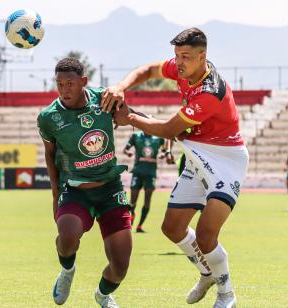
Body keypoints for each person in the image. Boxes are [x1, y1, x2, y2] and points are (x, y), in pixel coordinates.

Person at [102, 27, 248, 308]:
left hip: (226, 158)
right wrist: (122, 86)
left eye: (186, 57)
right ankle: (207, 273)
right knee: (172, 227)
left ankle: (227, 294)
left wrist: (129, 117)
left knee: (207, 236)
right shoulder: (183, 69)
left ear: (202, 56)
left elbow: (170, 129)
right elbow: (148, 70)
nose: (178, 62)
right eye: (177, 55)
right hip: (197, 152)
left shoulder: (211, 92)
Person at [37, 57, 132, 308]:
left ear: (83, 82)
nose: (64, 89)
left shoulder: (104, 99)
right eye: (59, 84)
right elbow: (50, 154)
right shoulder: (48, 117)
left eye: (70, 83)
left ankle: (102, 295)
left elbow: (125, 114)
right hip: (75, 189)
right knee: (67, 236)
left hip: (110, 188)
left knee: (120, 266)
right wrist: (55, 193)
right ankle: (67, 271)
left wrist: (126, 111)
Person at [123, 130, 170, 233]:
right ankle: (130, 220)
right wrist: (128, 152)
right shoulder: (136, 136)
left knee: (147, 200)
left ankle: (140, 226)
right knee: (132, 201)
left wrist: (163, 155)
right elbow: (125, 149)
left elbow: (165, 150)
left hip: (151, 173)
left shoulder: (158, 138)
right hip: (137, 172)